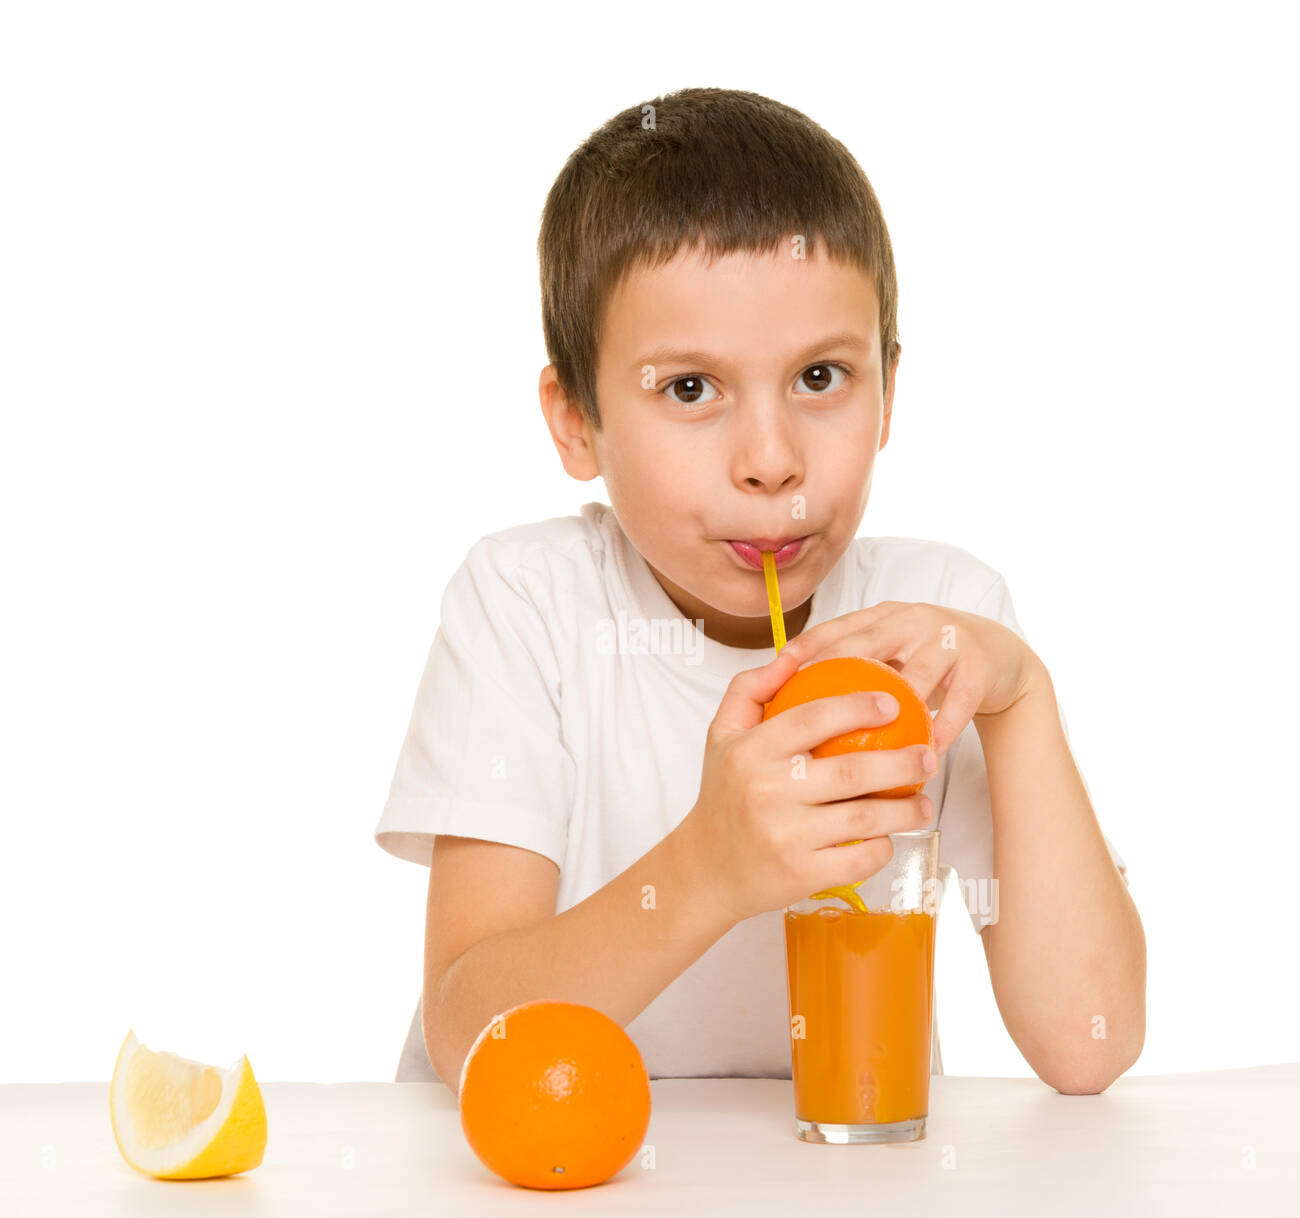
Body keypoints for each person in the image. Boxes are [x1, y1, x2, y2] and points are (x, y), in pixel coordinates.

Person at [374, 88, 1145, 1094]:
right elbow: (465, 1026)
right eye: (688, 389)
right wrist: (707, 869)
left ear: (887, 395)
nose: (772, 461)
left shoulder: (943, 620)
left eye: (820, 378)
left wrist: (1022, 700)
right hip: (547, 1215)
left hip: (831, 1208)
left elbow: (1087, 1040)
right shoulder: (527, 604)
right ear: (575, 421)